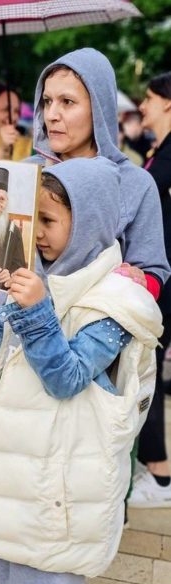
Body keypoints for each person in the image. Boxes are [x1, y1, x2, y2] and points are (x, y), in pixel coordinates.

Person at [0, 47, 169, 584]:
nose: (53, 114)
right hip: (9, 346)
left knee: (58, 484)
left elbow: (154, 268)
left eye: (68, 102)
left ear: (99, 107)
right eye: (46, 101)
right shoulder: (23, 173)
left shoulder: (133, 183)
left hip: (83, 357)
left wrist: (130, 288)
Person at [129, 71, 171, 508]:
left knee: (150, 370)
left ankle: (160, 475)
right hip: (159, 275)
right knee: (147, 369)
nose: (143, 105)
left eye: (149, 98)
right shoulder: (159, 149)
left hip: (166, 280)